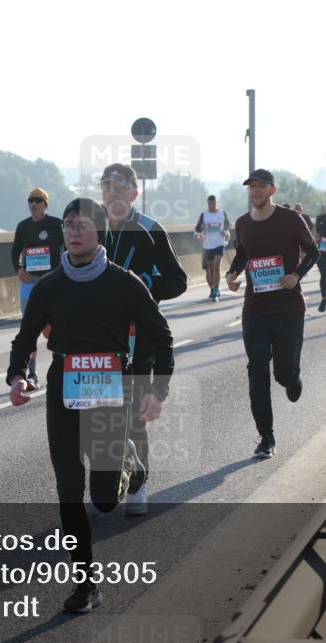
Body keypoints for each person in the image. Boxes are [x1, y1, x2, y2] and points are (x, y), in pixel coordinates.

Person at [7, 197, 173, 613]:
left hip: (111, 388)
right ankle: (86, 584)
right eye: (68, 225)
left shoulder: (124, 283)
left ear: (99, 232)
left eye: (82, 225)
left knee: (102, 499)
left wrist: (156, 390)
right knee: (67, 488)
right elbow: (24, 338)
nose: (74, 232)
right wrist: (17, 375)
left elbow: (161, 337)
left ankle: (128, 463)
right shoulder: (50, 286)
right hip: (64, 385)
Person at [99, 163, 187, 516]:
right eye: (106, 187)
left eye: (119, 188)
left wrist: (149, 284)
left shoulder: (150, 230)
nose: (112, 194)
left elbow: (178, 280)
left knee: (134, 416)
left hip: (140, 339)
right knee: (95, 414)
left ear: (134, 193)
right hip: (99, 337)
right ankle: (108, 479)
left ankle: (137, 485)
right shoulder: (91, 228)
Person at [226, 169, 318, 459]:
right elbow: (243, 253)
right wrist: (231, 273)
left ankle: (292, 377)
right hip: (255, 309)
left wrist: (296, 275)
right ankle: (266, 437)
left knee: (283, 372)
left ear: (272, 190)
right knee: (257, 370)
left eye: (261, 186)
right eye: (251, 187)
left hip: (289, 308)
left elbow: (313, 251)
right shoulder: (242, 223)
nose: (255, 191)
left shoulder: (291, 219)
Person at [10, 188, 64, 388]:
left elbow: (67, 250)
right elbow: (15, 252)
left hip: (54, 283)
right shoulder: (23, 226)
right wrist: (18, 269)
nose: (33, 204)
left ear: (45, 204)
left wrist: (60, 271)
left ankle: (62, 366)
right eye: (31, 200)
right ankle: (31, 374)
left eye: (38, 201)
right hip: (30, 283)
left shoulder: (56, 224)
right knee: (29, 328)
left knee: (55, 328)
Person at [195, 195, 232, 302]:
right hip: (207, 245)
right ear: (208, 203)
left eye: (214, 203)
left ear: (217, 203)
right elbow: (197, 229)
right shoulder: (204, 215)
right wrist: (200, 232)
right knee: (210, 269)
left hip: (219, 243)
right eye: (210, 204)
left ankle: (215, 290)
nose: (212, 206)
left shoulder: (222, 213)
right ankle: (213, 288)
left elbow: (228, 224)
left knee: (216, 266)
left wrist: (225, 231)